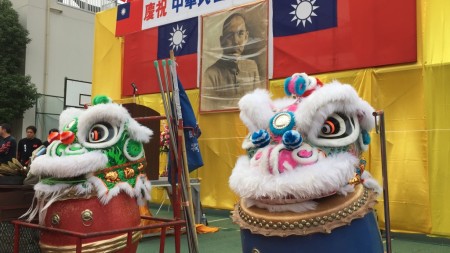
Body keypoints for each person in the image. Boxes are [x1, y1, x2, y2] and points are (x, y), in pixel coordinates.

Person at [202, 12, 264, 110]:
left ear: (246, 37)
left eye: (240, 34)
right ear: (222, 41)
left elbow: (260, 104)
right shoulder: (210, 74)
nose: (235, 41)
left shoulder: (252, 67)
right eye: (230, 35)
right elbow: (207, 109)